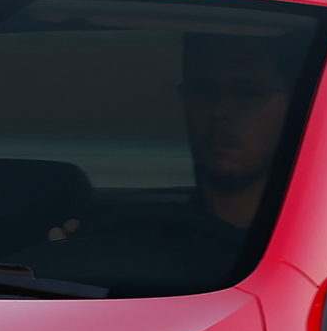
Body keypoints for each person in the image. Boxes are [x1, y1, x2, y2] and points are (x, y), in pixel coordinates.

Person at [15, 30, 298, 291]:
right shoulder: (128, 240)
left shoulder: (324, 248)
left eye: (248, 92)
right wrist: (69, 263)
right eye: (202, 89)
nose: (220, 110)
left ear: (296, 106)